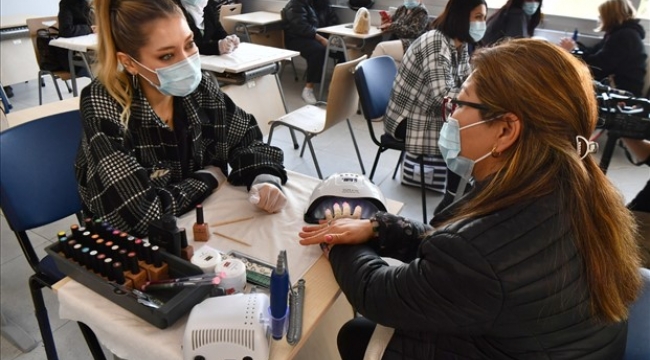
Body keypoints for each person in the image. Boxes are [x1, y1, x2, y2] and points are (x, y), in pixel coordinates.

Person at [299, 38, 642, 360]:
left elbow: (379, 294)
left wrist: (337, 239)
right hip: (548, 343)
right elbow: (461, 257)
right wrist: (381, 228)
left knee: (356, 334)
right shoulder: (575, 188)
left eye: (460, 103)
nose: (452, 116)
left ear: (506, 130)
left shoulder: (483, 249)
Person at [75, 0, 288, 237]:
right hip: (128, 245)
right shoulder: (105, 103)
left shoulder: (200, 87)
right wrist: (207, 179)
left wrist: (264, 176)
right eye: (166, 56)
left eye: (189, 44)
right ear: (129, 63)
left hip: (198, 219)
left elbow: (245, 136)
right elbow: (141, 216)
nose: (186, 61)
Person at [383, 0, 487, 213]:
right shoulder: (436, 43)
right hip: (408, 119)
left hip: (426, 110)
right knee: (467, 136)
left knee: (471, 130)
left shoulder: (460, 44)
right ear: (460, 16)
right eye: (478, 17)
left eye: (483, 18)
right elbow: (445, 98)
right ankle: (452, 200)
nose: (482, 23)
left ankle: (459, 193)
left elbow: (465, 83)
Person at [559, 0, 647, 97]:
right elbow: (594, 52)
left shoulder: (625, 36)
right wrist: (575, 46)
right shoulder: (619, 33)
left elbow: (598, 67)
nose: (599, 19)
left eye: (601, 16)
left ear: (610, 16)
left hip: (621, 92)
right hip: (616, 85)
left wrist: (573, 51)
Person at [282, 0, 340, 105]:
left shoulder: (322, 3)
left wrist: (332, 37)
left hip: (316, 38)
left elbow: (333, 19)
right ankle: (308, 89)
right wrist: (322, 39)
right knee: (318, 51)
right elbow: (301, 27)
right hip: (297, 39)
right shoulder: (296, 3)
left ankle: (337, 84)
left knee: (343, 50)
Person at [370, 0, 429, 65]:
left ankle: (366, 71)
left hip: (411, 45)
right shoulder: (402, 9)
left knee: (381, 47)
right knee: (387, 62)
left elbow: (413, 32)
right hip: (397, 41)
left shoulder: (422, 12)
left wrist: (392, 26)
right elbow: (392, 23)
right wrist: (386, 22)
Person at [173, 0, 240, 55]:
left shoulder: (208, 6)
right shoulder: (173, 11)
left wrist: (229, 40)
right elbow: (186, 47)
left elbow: (218, 31)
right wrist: (217, 47)